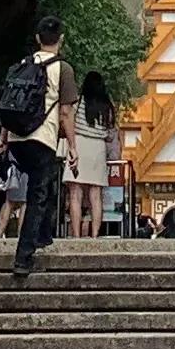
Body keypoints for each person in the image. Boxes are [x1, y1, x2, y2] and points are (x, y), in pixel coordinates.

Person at [0, 15, 70, 276]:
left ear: (38, 39)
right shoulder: (63, 69)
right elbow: (65, 113)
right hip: (43, 138)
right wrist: (72, 146)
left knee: (42, 188)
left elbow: (8, 104)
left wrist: (3, 138)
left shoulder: (22, 65)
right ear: (61, 39)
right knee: (38, 194)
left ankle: (42, 236)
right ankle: (23, 257)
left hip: (18, 138)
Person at [71, 71, 116, 237]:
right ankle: (95, 235)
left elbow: (68, 120)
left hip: (79, 144)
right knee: (96, 195)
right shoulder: (107, 107)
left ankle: (76, 235)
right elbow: (111, 134)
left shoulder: (77, 102)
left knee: (75, 193)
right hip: (98, 148)